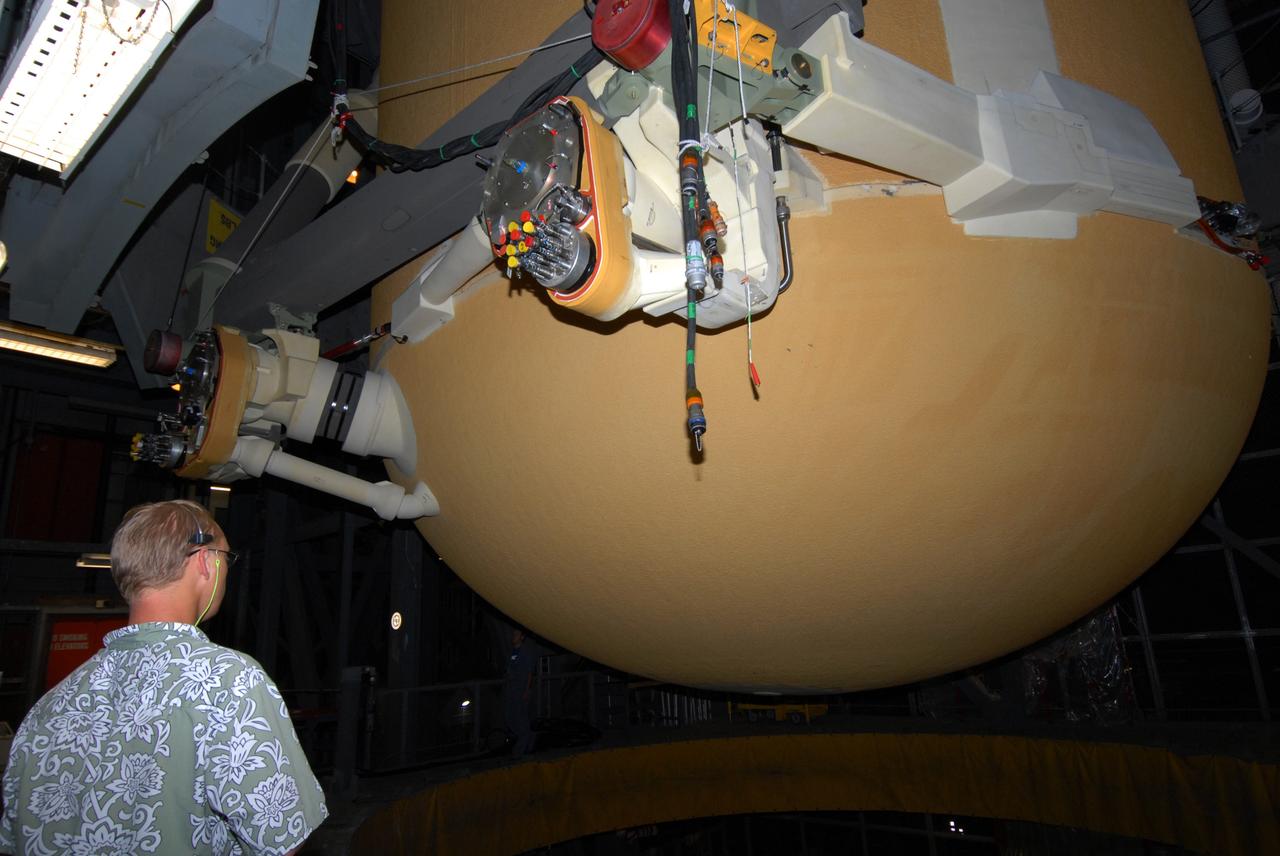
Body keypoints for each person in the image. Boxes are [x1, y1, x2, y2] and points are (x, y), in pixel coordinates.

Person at [0, 500, 327, 855]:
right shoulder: (228, 681)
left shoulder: (49, 706)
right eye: (225, 559)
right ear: (205, 561)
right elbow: (283, 836)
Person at [503, 628, 537, 756]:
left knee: (520, 717)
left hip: (520, 689)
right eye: (514, 633)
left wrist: (527, 689)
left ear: (522, 637)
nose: (514, 636)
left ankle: (520, 749)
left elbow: (529, 673)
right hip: (511, 688)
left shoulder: (525, 652)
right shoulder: (512, 652)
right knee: (509, 717)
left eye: (516, 634)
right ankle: (528, 739)